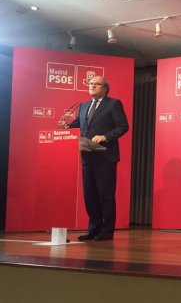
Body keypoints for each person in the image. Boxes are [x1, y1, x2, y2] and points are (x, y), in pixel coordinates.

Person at [64, 76, 129, 241]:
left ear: (105, 88)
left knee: (105, 196)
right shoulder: (84, 106)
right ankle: (94, 229)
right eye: (90, 83)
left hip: (105, 157)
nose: (92, 86)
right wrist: (66, 126)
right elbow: (78, 124)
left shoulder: (113, 104)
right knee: (90, 196)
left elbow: (123, 126)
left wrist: (105, 136)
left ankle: (107, 231)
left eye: (96, 84)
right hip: (87, 156)